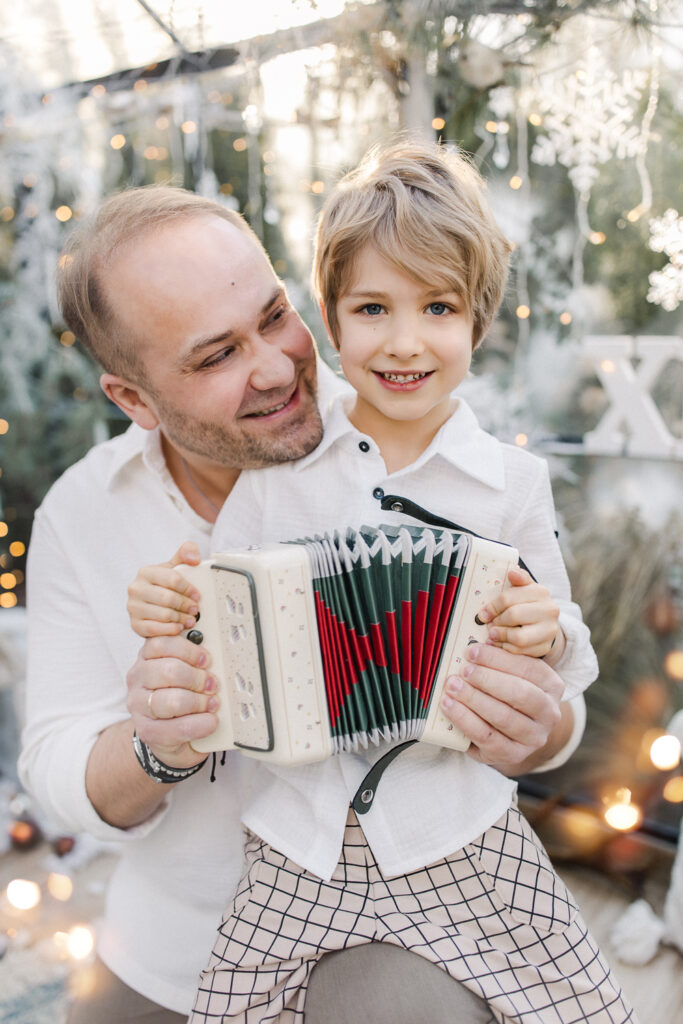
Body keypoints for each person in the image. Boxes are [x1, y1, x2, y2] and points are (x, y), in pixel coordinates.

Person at [18, 174, 587, 1024]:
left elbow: (555, 667)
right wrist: (155, 742)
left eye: (275, 316)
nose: (280, 365)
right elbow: (54, 763)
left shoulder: (410, 420)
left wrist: (542, 725)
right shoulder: (81, 511)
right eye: (217, 356)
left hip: (398, 918)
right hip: (180, 941)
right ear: (133, 399)